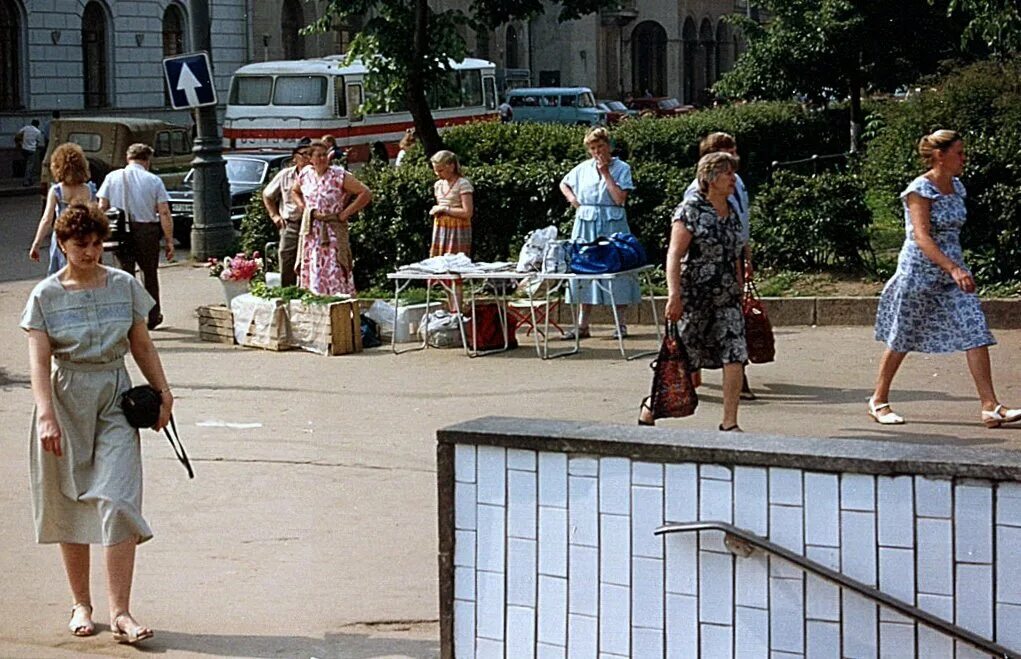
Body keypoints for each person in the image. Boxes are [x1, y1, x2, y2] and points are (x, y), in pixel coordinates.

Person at [21, 203, 173, 645]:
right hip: (65, 400)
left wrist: (164, 392)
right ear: (62, 245)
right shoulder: (44, 296)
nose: (91, 252)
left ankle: (121, 613)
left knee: (118, 498)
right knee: (70, 500)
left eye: (96, 244)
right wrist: (46, 415)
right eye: (80, 245)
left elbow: (140, 344)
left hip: (114, 398)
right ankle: (81, 604)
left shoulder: (124, 285)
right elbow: (38, 361)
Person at [870, 130, 1020, 428]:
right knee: (903, 335)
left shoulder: (957, 187)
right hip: (920, 271)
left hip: (953, 272)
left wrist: (956, 268)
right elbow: (922, 238)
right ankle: (878, 400)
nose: (964, 158)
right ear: (940, 155)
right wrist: (953, 267)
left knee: (975, 328)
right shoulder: (919, 190)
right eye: (959, 153)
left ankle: (990, 406)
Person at [640, 152, 746, 430]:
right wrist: (673, 296)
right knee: (682, 358)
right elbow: (674, 255)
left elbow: (736, 254)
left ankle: (729, 423)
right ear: (710, 178)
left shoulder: (731, 210)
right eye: (727, 173)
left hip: (726, 297)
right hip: (694, 299)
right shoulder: (689, 210)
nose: (732, 178)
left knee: (735, 352)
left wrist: (740, 287)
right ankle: (652, 407)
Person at [683, 132, 756, 398]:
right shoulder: (693, 200)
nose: (735, 156)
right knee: (692, 338)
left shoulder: (737, 184)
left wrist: (745, 255)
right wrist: (674, 294)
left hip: (727, 284)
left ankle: (731, 416)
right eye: (728, 151)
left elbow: (741, 223)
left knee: (734, 339)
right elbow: (677, 252)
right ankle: (678, 387)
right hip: (699, 287)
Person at [559, 126, 639, 339]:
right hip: (586, 222)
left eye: (600, 146)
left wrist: (605, 173)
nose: (597, 152)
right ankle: (583, 324)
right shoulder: (583, 168)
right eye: (593, 148)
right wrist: (573, 200)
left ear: (608, 146)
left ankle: (620, 324)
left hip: (611, 223)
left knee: (617, 271)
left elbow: (619, 198)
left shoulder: (622, 168)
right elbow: (564, 183)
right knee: (583, 269)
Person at [97, 144, 173, 331]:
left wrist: (99, 234)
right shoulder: (154, 180)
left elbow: (101, 207)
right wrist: (169, 240)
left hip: (119, 230)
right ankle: (153, 316)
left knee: (124, 274)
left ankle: (127, 317)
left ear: (127, 158)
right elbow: (164, 212)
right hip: (146, 230)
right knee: (149, 274)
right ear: (147, 160)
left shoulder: (112, 177)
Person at [291, 140, 372, 295]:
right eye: (319, 156)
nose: (322, 159)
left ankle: (338, 304)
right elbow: (295, 191)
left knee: (334, 267)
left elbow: (365, 193)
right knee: (313, 266)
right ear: (310, 158)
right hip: (312, 230)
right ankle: (315, 305)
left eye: (325, 155)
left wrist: (345, 213)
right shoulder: (305, 174)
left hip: (333, 229)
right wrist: (304, 208)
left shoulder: (338, 175)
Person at [29, 143, 97, 275]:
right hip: (84, 235)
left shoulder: (57, 190)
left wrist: (36, 244)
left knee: (61, 276)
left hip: (62, 237)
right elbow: (96, 217)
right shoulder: (89, 189)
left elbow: (46, 220)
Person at [428, 150, 475, 311]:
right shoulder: (438, 185)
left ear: (451, 166)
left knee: (455, 270)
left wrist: (445, 209)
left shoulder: (463, 184)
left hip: (458, 230)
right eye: (435, 170)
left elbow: (467, 212)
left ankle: (457, 310)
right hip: (441, 229)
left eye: (440, 170)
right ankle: (451, 307)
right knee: (442, 270)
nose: (438, 174)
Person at [262, 140, 312, 287]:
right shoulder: (285, 175)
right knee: (286, 256)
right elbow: (267, 195)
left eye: (310, 154)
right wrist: (274, 216)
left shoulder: (316, 174)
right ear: (294, 157)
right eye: (304, 154)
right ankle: (287, 293)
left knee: (310, 261)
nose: (308, 158)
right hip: (291, 223)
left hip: (312, 224)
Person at [15, 119, 43, 187]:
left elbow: (18, 134)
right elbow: (38, 142)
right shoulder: (38, 131)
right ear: (37, 125)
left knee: (27, 164)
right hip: (32, 150)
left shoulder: (26, 128)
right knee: (30, 166)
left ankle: (29, 179)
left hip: (24, 149)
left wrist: (19, 143)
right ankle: (26, 181)